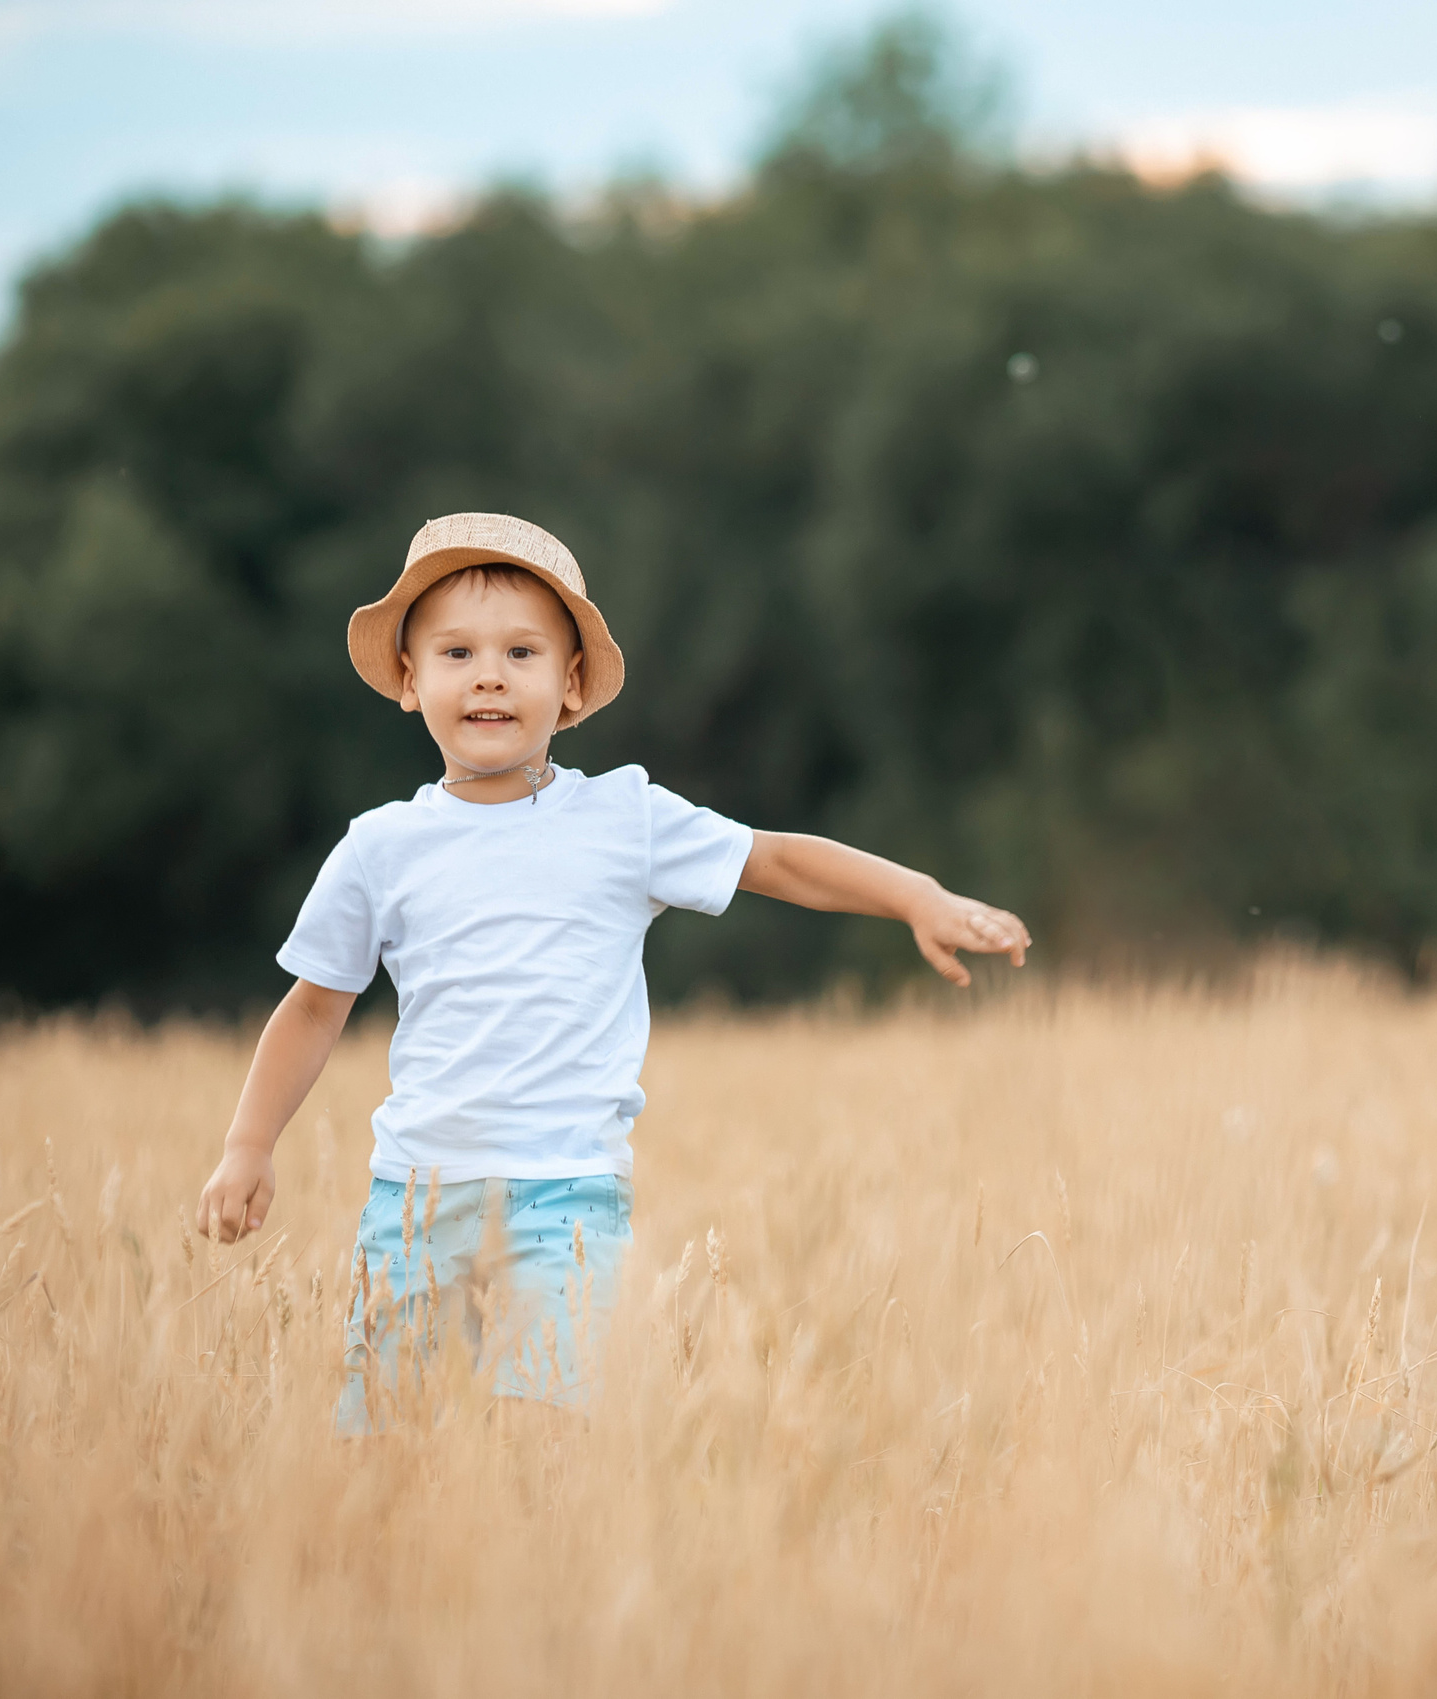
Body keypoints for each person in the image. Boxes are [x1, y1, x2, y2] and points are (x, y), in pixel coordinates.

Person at [193, 512, 1032, 1429]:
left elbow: (776, 860)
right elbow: (316, 1007)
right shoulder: (379, 847)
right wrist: (249, 1142)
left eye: (522, 652)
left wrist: (916, 896)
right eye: (456, 652)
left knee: (544, 1442)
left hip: (568, 1195)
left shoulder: (625, 818)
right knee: (392, 1451)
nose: (488, 674)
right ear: (408, 679)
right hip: (414, 1194)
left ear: (572, 684)